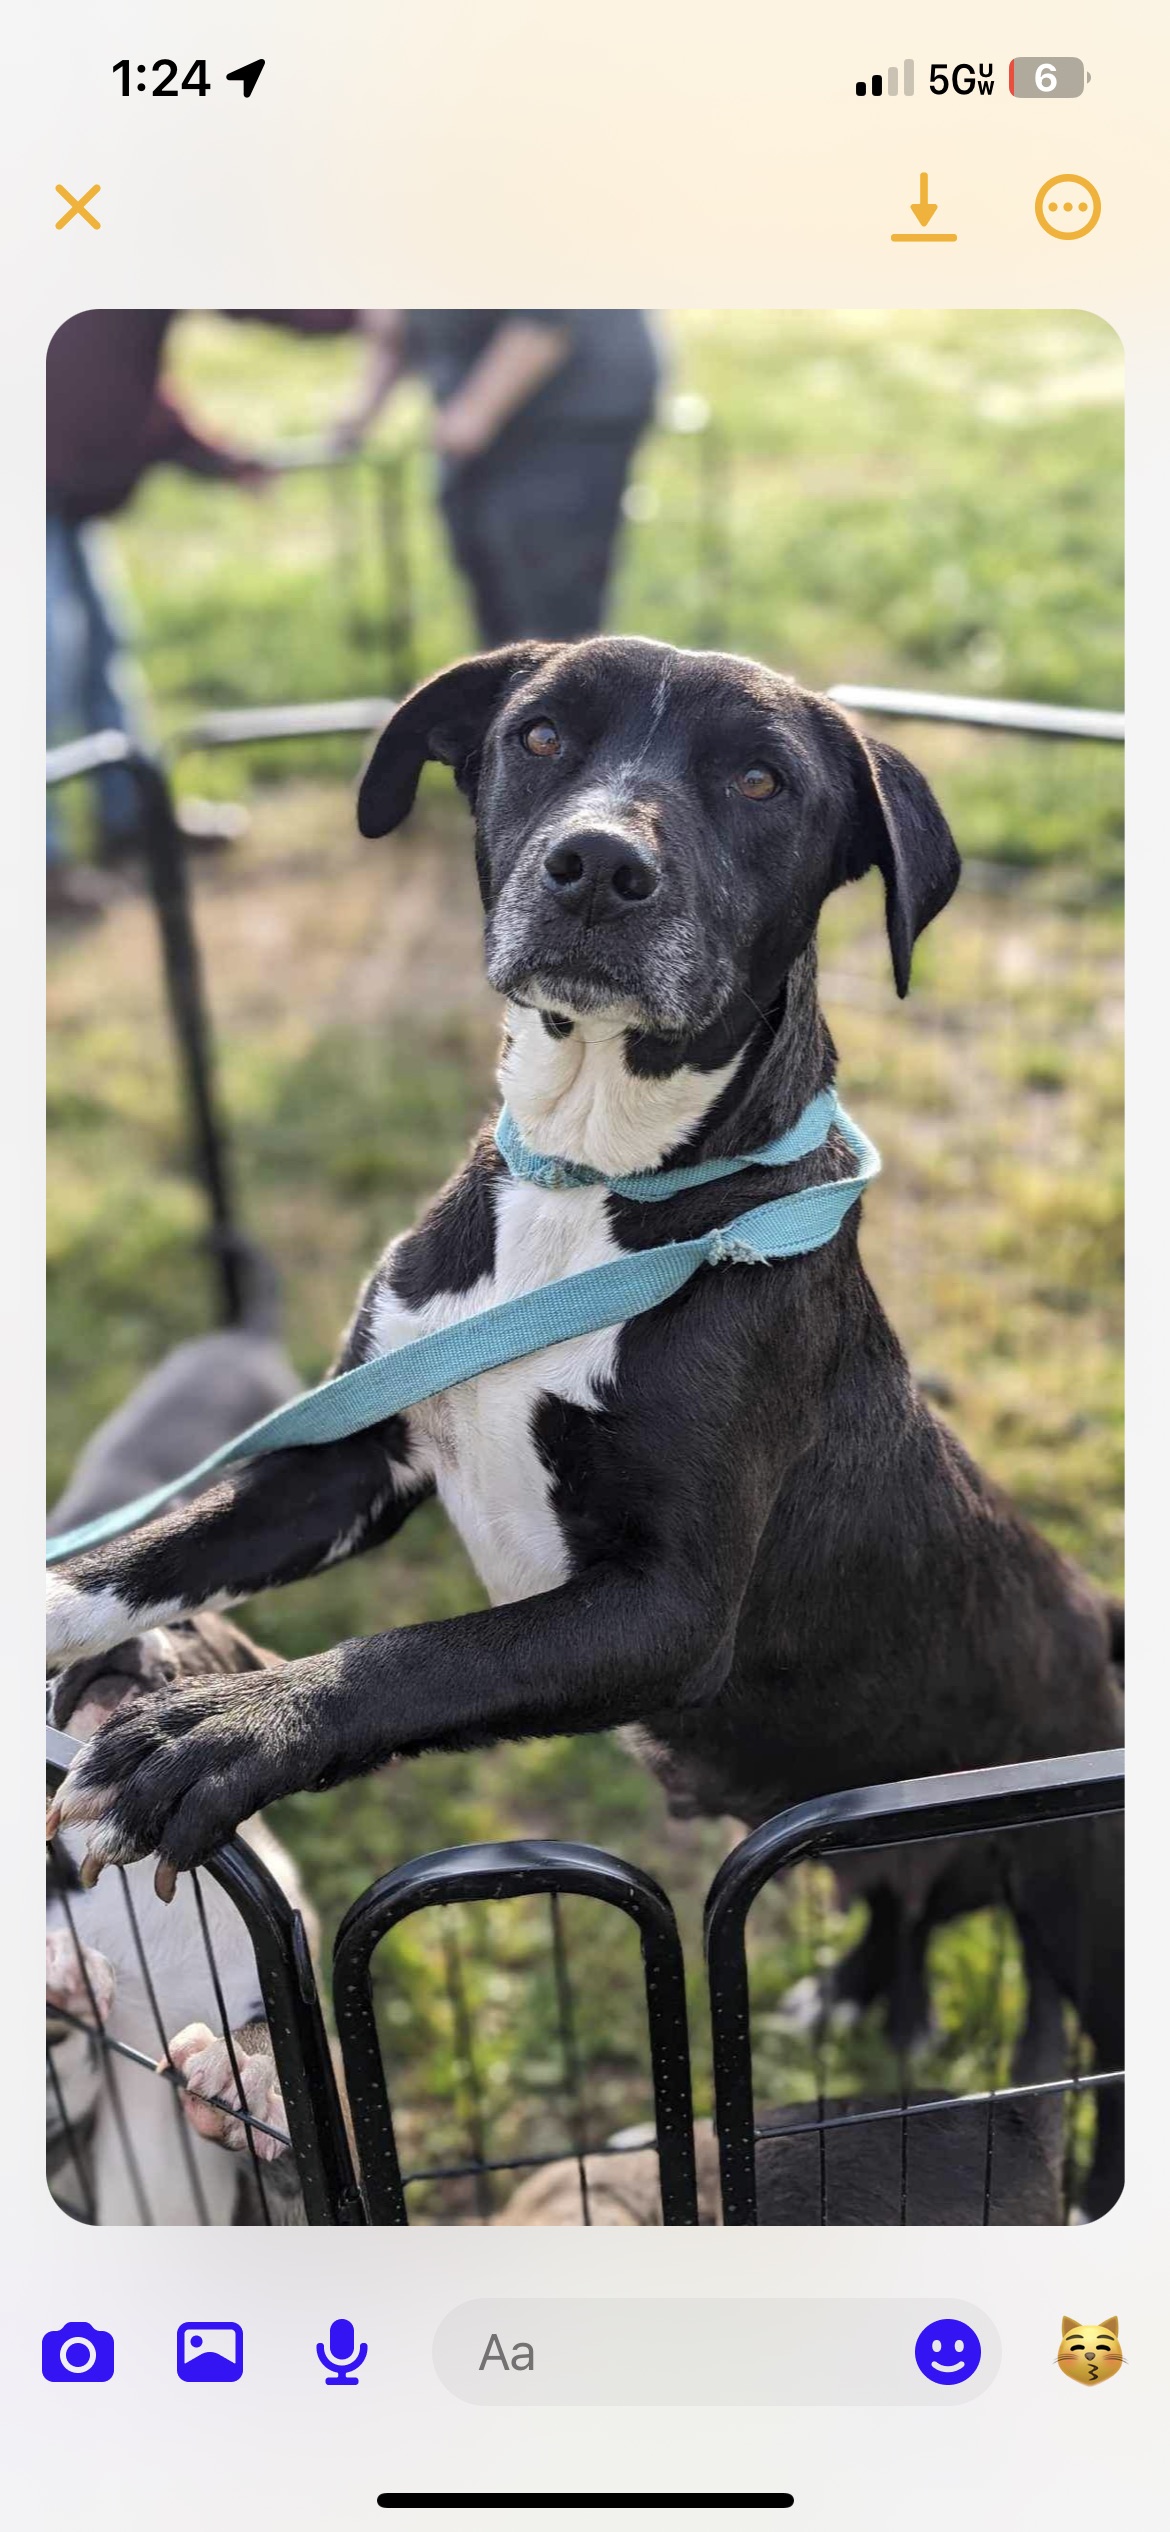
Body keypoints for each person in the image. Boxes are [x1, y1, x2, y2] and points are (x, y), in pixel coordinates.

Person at [45, 310, 365, 919]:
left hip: (60, 491)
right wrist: (362, 317)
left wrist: (210, 456)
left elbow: (113, 382)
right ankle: (38, 863)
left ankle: (131, 818)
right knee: (41, 673)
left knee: (101, 650)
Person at [335, 311, 661, 645]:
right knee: (490, 592)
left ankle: (569, 691)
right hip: (474, 419)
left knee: (552, 603)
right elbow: (395, 328)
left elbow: (546, 314)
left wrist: (477, 411)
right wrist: (361, 413)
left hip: (571, 415)